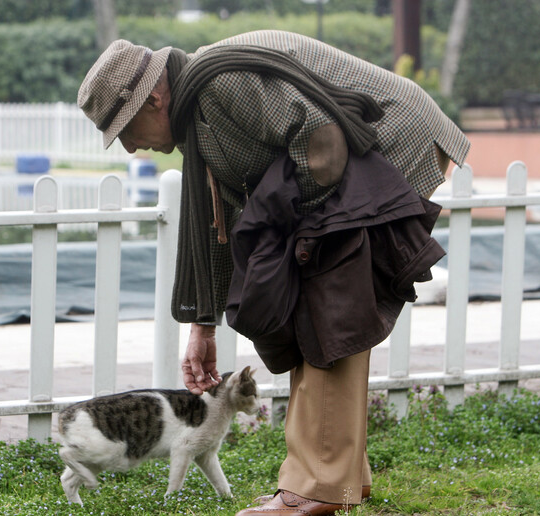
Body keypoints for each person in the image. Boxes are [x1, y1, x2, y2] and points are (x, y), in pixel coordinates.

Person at [78, 30, 470, 516]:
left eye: (126, 129)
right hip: (352, 166)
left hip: (393, 143)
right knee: (317, 306)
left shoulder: (219, 84)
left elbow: (322, 144)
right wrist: (204, 326)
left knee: (325, 311)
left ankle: (316, 489)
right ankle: (342, 478)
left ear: (154, 98)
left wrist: (296, 246)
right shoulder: (199, 117)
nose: (131, 148)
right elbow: (222, 226)